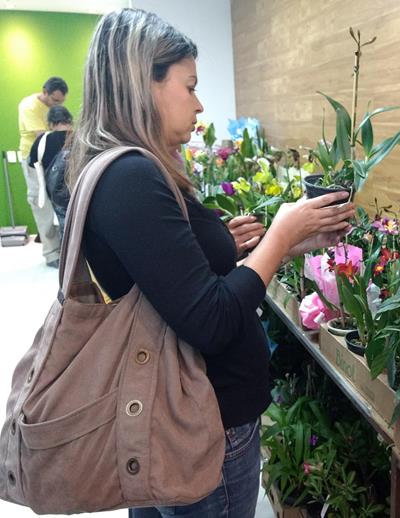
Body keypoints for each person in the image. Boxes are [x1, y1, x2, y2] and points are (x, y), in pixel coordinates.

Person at [67, 9, 354, 518]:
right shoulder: (131, 177)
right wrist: (282, 231)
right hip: (200, 428)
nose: (200, 105)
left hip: (177, 420)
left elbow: (167, 279)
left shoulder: (132, 169)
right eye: (190, 85)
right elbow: (212, 320)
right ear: (145, 84)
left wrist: (278, 246)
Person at [18, 76, 68, 267]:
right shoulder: (29, 106)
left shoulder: (52, 106)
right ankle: (51, 253)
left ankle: (64, 248)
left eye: (61, 102)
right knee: (42, 205)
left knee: (61, 202)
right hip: (35, 161)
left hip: (55, 159)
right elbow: (44, 136)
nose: (57, 105)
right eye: (55, 101)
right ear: (44, 92)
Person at [29, 105, 73, 242]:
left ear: (51, 123)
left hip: (54, 193)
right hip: (80, 188)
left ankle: (62, 256)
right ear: (69, 120)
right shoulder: (81, 137)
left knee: (61, 224)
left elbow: (33, 164)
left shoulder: (41, 141)